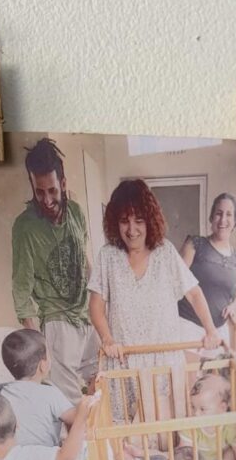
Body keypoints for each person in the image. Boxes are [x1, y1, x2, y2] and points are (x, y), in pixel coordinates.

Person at [88, 178, 222, 421]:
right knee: (127, 433)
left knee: (166, 433)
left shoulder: (165, 252)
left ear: (150, 220)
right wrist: (107, 339)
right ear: (114, 222)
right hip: (123, 360)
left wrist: (211, 330)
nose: (132, 230)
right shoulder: (107, 256)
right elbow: (96, 304)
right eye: (124, 221)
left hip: (163, 361)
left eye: (139, 221)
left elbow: (193, 292)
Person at [11, 137, 97, 404]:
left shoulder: (76, 213)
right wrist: (38, 343)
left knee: (100, 380)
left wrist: (98, 304)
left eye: (52, 191)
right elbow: (21, 289)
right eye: (39, 192)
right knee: (69, 401)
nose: (46, 200)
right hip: (57, 322)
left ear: (63, 184)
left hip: (85, 315)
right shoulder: (25, 227)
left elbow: (85, 261)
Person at [178, 192, 236, 345]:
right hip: (188, 326)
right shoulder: (195, 244)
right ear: (211, 217)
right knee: (191, 370)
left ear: (235, 221)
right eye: (219, 213)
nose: (223, 219)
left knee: (217, 369)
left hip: (219, 331)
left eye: (229, 214)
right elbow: (178, 280)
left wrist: (233, 307)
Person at [0, 328, 77, 446]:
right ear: (43, 366)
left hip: (15, 458)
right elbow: (77, 419)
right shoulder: (50, 393)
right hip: (45, 458)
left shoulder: (3, 393)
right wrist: (92, 397)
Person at [186, 372, 236, 460]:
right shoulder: (189, 426)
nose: (196, 413)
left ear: (222, 408)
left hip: (222, 454)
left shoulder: (229, 425)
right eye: (193, 407)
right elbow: (184, 453)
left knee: (230, 453)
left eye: (203, 409)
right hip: (199, 458)